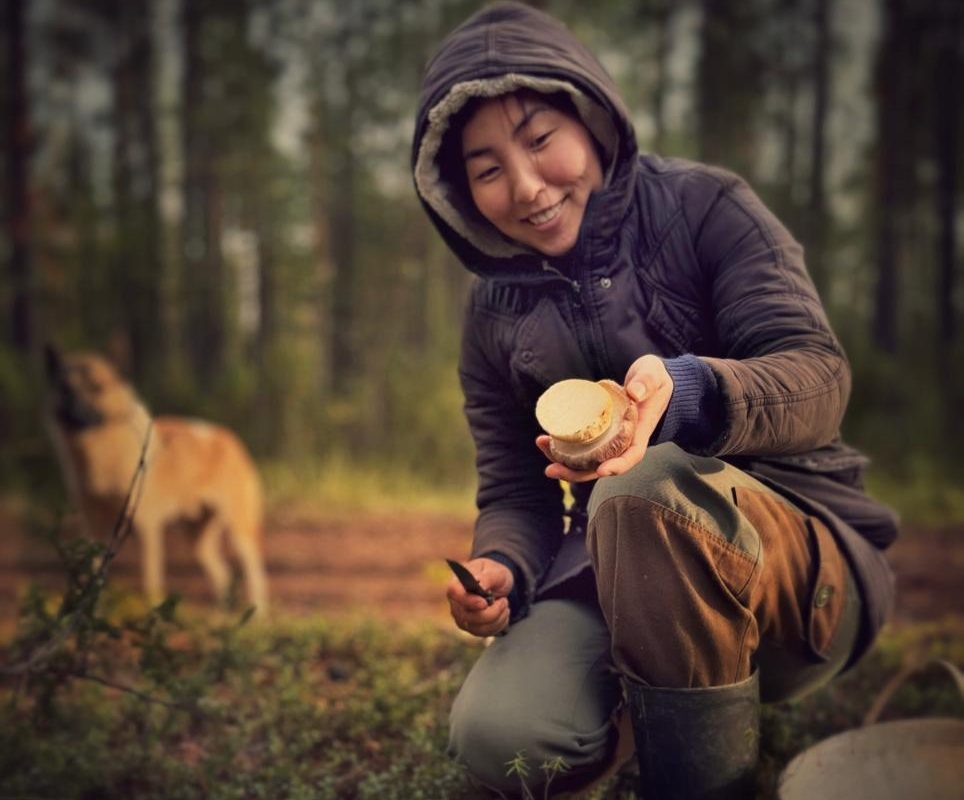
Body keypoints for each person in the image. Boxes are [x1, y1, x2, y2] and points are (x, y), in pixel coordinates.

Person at [411, 3, 898, 798]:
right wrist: (502, 564)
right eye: (488, 167)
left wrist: (688, 391)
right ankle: (659, 715)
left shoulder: (706, 207)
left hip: (799, 574)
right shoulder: (491, 314)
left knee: (643, 489)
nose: (527, 186)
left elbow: (819, 378)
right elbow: (513, 487)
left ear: (592, 117)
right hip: (615, 570)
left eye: (539, 140)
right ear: (459, 190)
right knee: (502, 737)